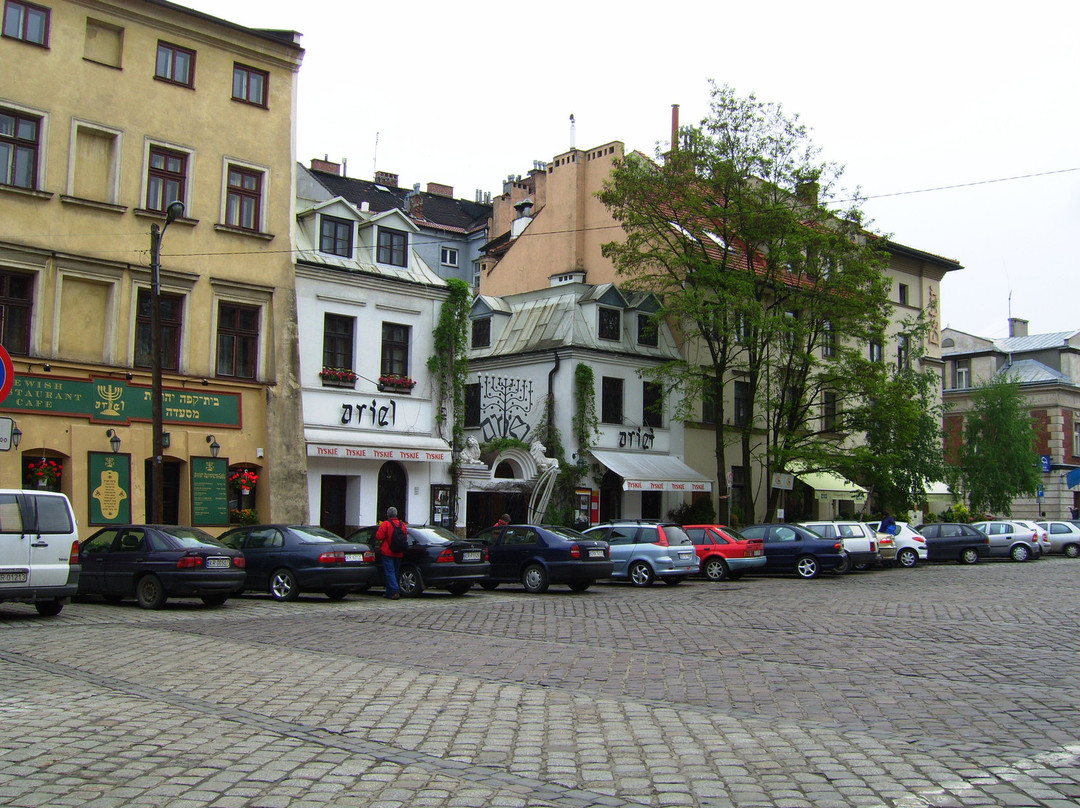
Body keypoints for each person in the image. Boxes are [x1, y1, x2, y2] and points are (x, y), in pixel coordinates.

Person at [375, 506, 405, 599]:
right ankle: (389, 592)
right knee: (394, 572)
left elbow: (379, 536)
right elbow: (405, 537)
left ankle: (395, 590)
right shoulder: (402, 525)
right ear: (396, 514)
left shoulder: (385, 524)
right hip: (399, 552)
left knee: (389, 572)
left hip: (387, 552)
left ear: (387, 515)